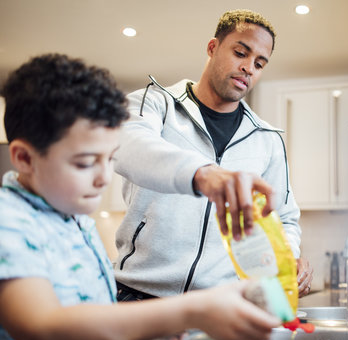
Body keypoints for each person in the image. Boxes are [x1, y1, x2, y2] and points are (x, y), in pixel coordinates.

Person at [0, 53, 279, 340]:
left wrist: (145, 338)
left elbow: (93, 322)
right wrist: (191, 310)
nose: (104, 178)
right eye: (84, 163)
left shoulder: (76, 220)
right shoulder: (8, 219)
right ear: (25, 158)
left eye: (109, 158)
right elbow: (44, 330)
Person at [113, 9, 313, 301]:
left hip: (220, 304)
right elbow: (127, 145)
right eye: (241, 53)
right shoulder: (156, 103)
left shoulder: (267, 139)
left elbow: (284, 218)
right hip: (139, 296)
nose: (249, 68)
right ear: (212, 47)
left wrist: (289, 257)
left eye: (259, 63)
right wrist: (202, 174)